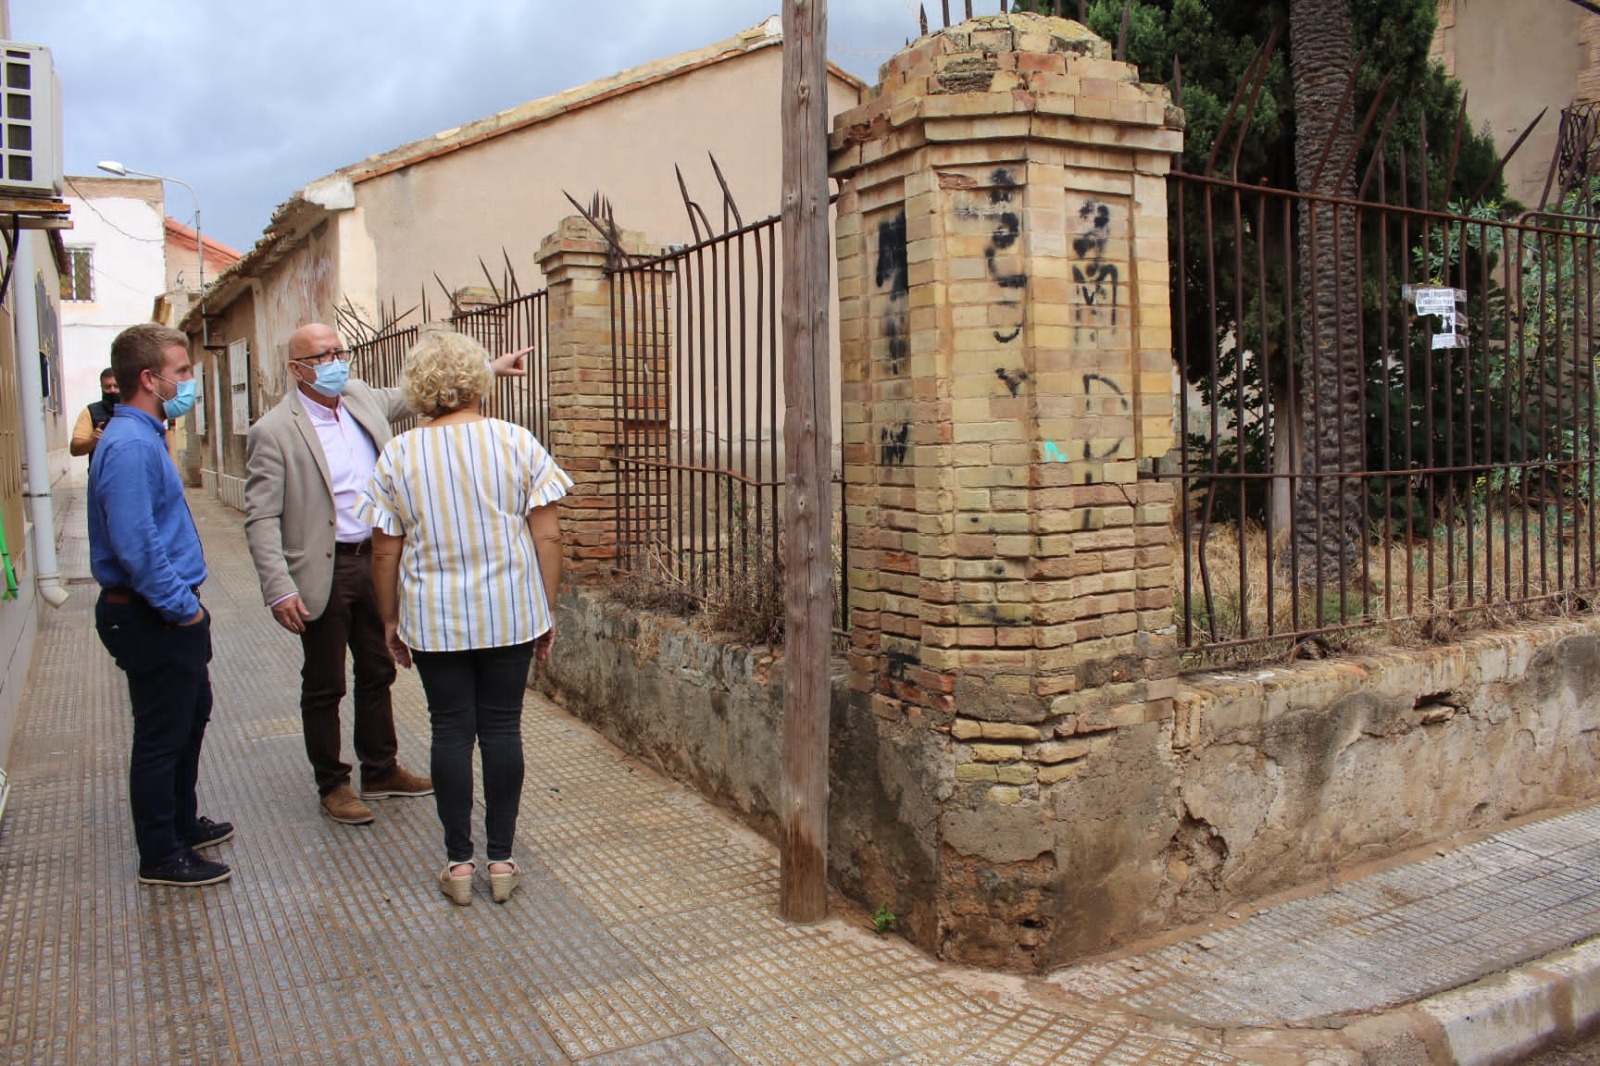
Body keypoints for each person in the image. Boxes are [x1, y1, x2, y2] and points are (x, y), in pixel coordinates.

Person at [243, 323, 528, 827]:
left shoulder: (357, 397)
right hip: (321, 567)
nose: (336, 361)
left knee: (378, 670)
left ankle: (381, 768)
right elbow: (261, 515)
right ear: (296, 369)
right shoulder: (275, 430)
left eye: (339, 351)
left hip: (374, 558)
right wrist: (278, 585)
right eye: (322, 356)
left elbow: (414, 393)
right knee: (325, 682)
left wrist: (490, 367)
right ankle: (333, 783)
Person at [356, 327, 568, 907]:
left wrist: (390, 620)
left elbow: (384, 548)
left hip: (435, 617)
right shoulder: (517, 443)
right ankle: (501, 861)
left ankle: (457, 864)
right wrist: (544, 609)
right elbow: (547, 534)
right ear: (481, 381)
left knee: (450, 730)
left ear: (420, 386)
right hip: (509, 613)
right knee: (502, 728)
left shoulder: (399, 453)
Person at [89, 323, 232, 887]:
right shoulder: (128, 445)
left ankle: (180, 823)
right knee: (161, 734)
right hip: (150, 613)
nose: (188, 382)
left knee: (189, 718)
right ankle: (161, 854)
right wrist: (182, 609)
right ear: (149, 379)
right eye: (181, 372)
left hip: (165, 610)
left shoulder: (147, 434)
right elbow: (137, 544)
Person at [69, 367, 119, 460]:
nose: (112, 390)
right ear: (101, 387)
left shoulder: (134, 409)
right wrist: (93, 440)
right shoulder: (90, 412)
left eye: (116, 386)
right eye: (108, 387)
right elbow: (74, 449)